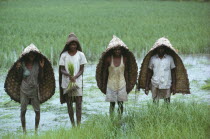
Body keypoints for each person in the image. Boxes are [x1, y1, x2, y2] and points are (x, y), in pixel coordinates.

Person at [4, 43, 55, 133]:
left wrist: (42, 68)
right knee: (23, 111)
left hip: (35, 90)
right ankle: (24, 131)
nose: (32, 55)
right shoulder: (22, 64)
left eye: (33, 54)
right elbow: (19, 78)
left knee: (37, 111)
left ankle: (35, 131)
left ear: (35, 55)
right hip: (24, 90)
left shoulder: (38, 64)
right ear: (27, 55)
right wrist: (19, 69)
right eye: (30, 54)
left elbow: (40, 78)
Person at [136, 37, 190, 103]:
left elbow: (173, 72)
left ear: (165, 49)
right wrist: (147, 86)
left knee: (167, 102)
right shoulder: (153, 59)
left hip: (166, 83)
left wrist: (174, 85)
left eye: (162, 48)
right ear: (157, 49)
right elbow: (149, 72)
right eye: (159, 48)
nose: (161, 50)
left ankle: (167, 113)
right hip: (155, 83)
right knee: (155, 102)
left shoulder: (170, 58)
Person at [96, 35, 137, 117]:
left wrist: (129, 83)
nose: (117, 51)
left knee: (121, 104)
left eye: (119, 50)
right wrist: (103, 84)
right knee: (112, 104)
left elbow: (127, 72)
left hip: (122, 84)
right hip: (111, 84)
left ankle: (119, 119)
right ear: (112, 50)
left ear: (121, 50)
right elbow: (104, 73)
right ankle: (111, 120)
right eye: (115, 50)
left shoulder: (124, 59)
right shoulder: (108, 59)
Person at [59, 33, 87, 126]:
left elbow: (82, 69)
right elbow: (61, 69)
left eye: (74, 44)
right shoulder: (64, 55)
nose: (73, 46)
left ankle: (78, 124)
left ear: (77, 45)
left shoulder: (81, 54)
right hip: (67, 83)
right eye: (71, 44)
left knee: (78, 104)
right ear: (68, 45)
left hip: (77, 82)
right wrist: (69, 75)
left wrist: (75, 76)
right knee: (69, 104)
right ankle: (73, 124)